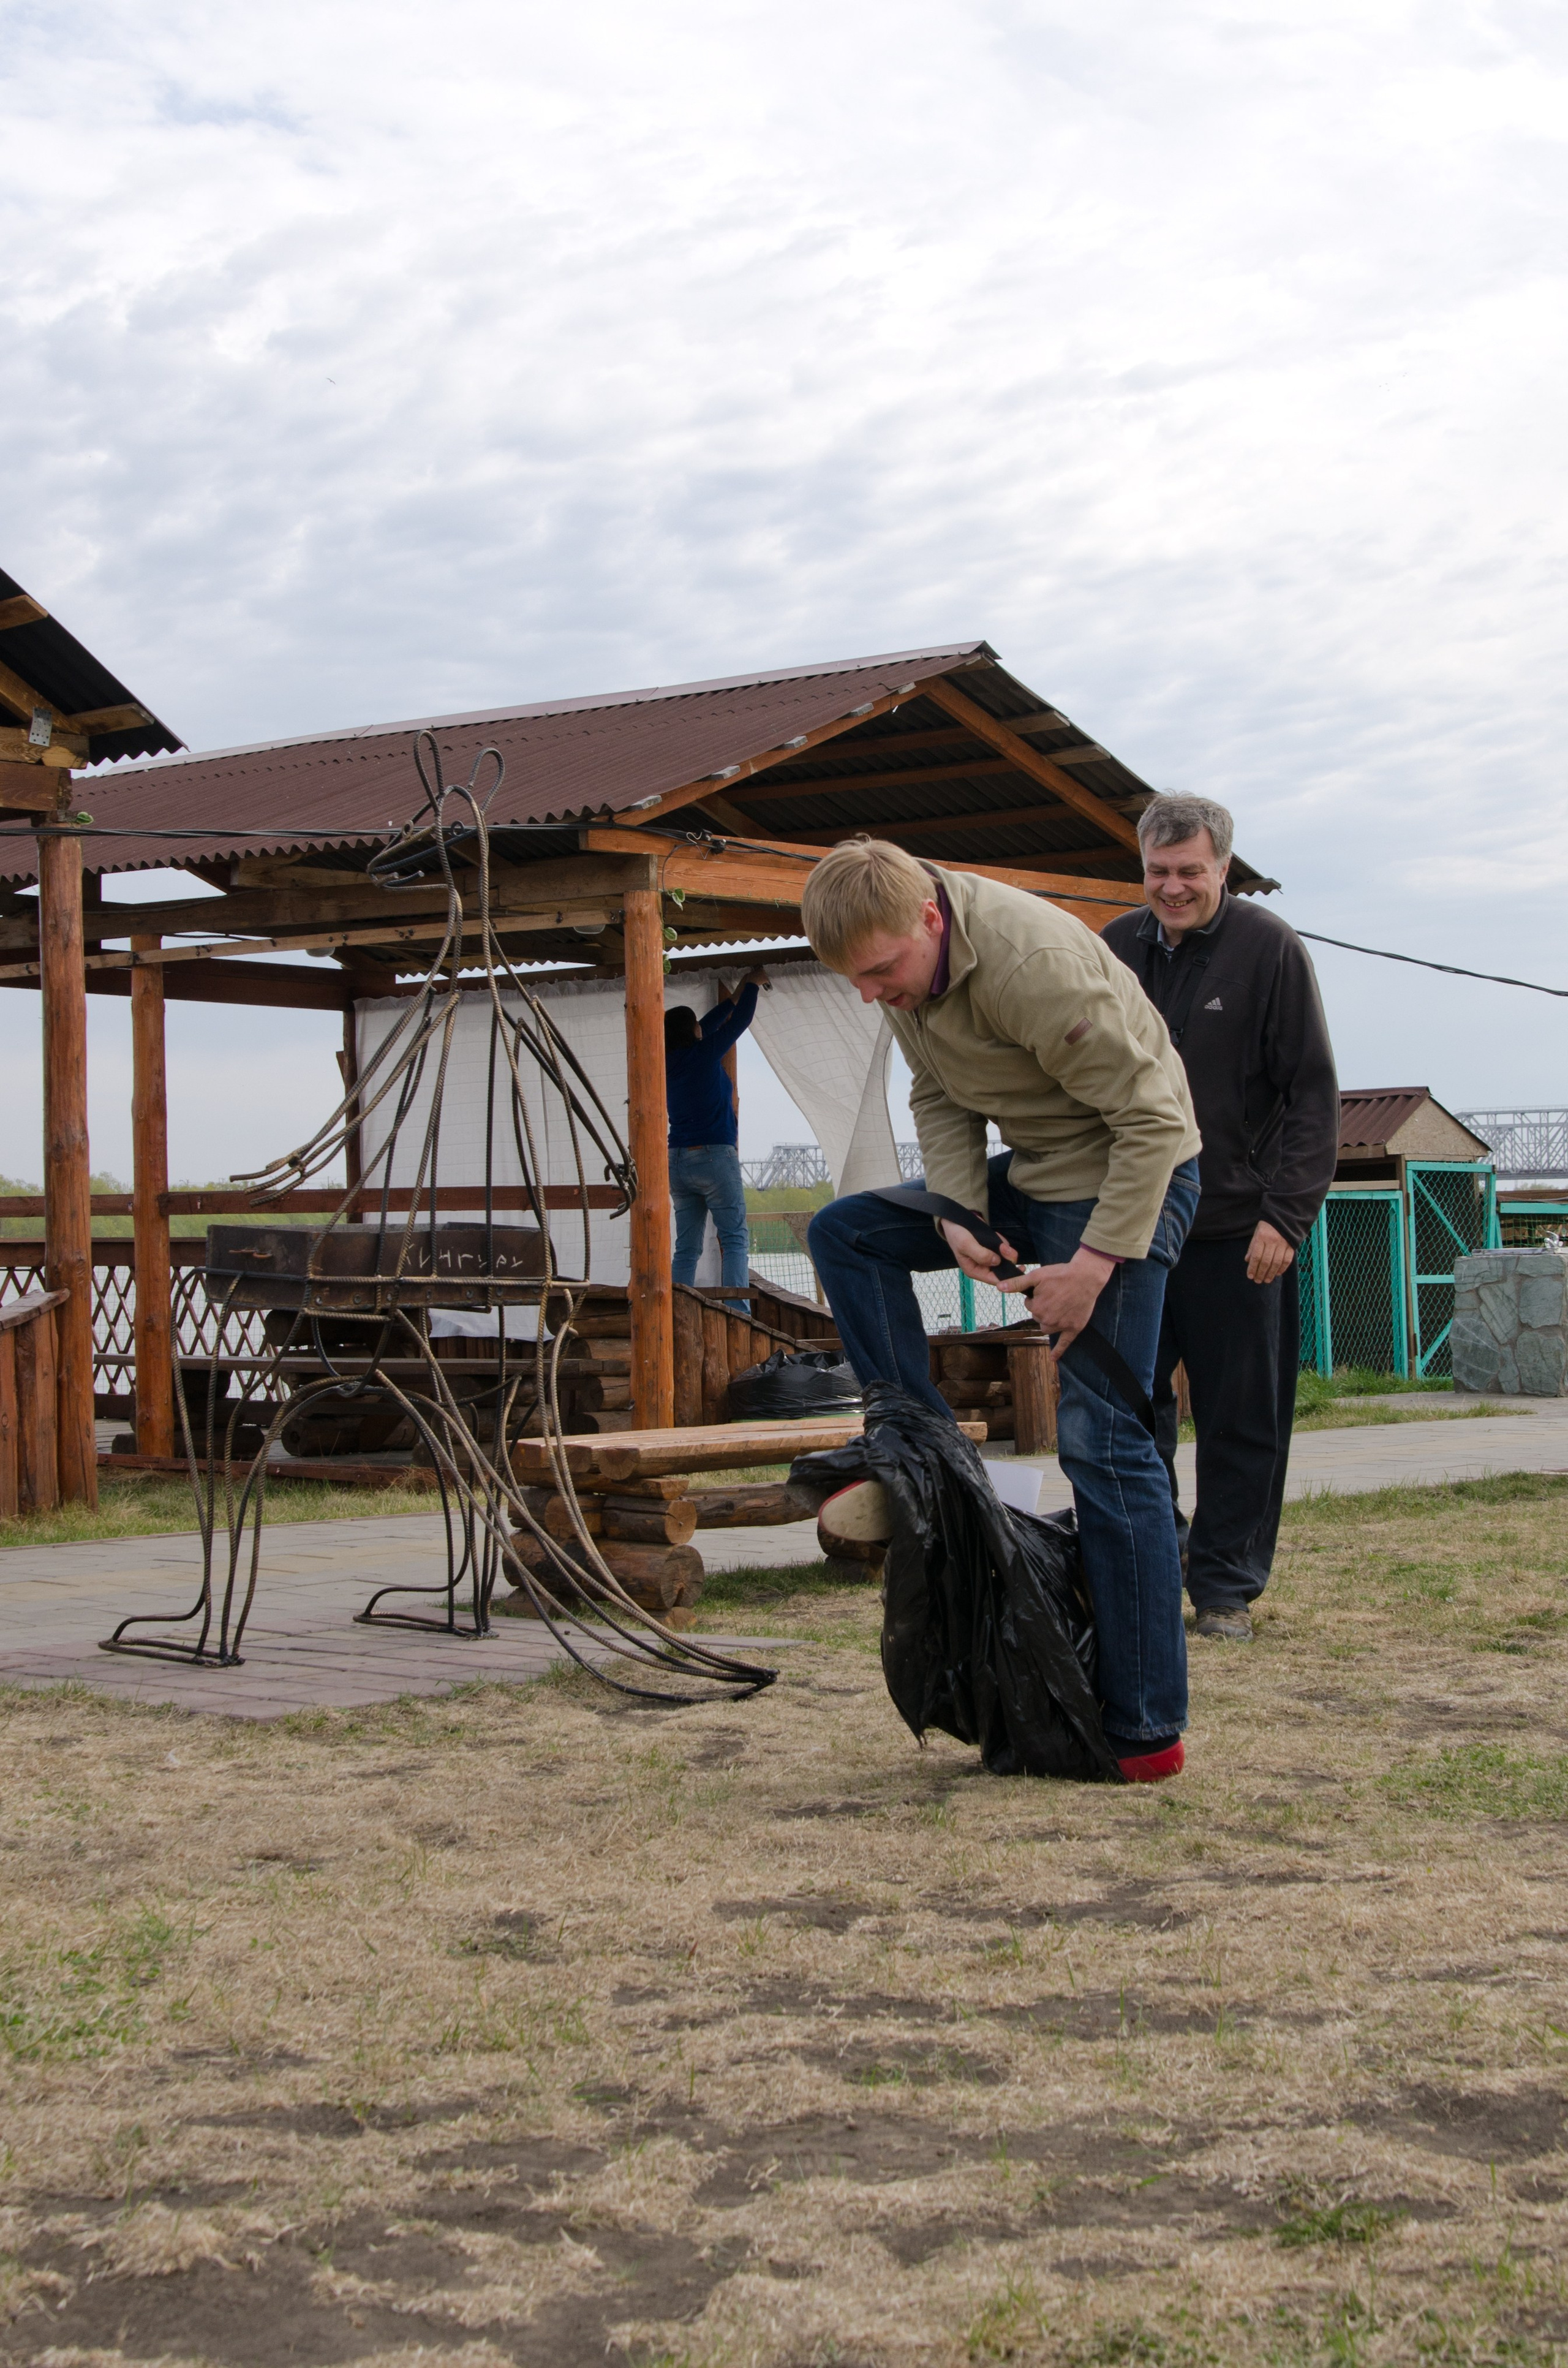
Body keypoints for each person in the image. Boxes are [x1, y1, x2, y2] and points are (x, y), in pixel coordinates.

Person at [801, 839, 1202, 1785]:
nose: (873, 995)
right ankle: (919, 1449)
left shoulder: (1034, 966)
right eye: (856, 981)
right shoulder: (906, 972)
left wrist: (1093, 1266)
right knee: (846, 1234)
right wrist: (958, 1213)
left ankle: (1147, 1730)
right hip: (1034, 1171)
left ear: (931, 920)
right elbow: (937, 1094)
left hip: (1129, 1179)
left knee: (1102, 1440)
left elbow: (1156, 1121)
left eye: (882, 972)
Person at [1102, 795, 1339, 1643]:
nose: (1173, 888)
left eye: (1190, 872)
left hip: (1242, 1231)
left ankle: (1227, 1588)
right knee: (1130, 1412)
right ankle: (1151, 1563)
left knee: (1242, 1416)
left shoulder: (1267, 949)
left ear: (1223, 870)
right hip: (1132, 1227)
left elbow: (1312, 1092)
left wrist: (1287, 1215)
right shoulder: (1115, 949)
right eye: (1159, 872)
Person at [665, 967, 769, 1303]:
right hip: (713, 1156)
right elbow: (739, 1023)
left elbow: (708, 1025)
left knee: (687, 1248)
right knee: (734, 1239)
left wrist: (734, 996)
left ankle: (676, 1310)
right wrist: (751, 986)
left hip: (678, 1161)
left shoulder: (667, 1060)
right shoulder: (702, 1054)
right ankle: (738, 1316)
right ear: (691, 1031)